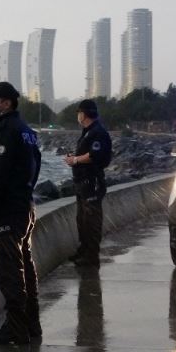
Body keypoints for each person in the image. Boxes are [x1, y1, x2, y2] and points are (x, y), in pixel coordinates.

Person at [0, 81, 42, 345]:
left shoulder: (6, 131)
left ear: (6, 102)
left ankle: (15, 328)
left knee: (10, 268)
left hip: (9, 210)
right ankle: (31, 324)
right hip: (24, 205)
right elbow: (35, 166)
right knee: (25, 264)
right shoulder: (27, 131)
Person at [64, 99, 112, 267]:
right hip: (82, 183)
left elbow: (94, 155)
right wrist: (74, 158)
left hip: (92, 183)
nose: (78, 116)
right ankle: (83, 251)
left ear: (83, 114)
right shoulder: (88, 131)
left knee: (91, 222)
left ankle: (92, 257)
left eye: (79, 113)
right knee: (82, 220)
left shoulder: (97, 132)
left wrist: (75, 160)